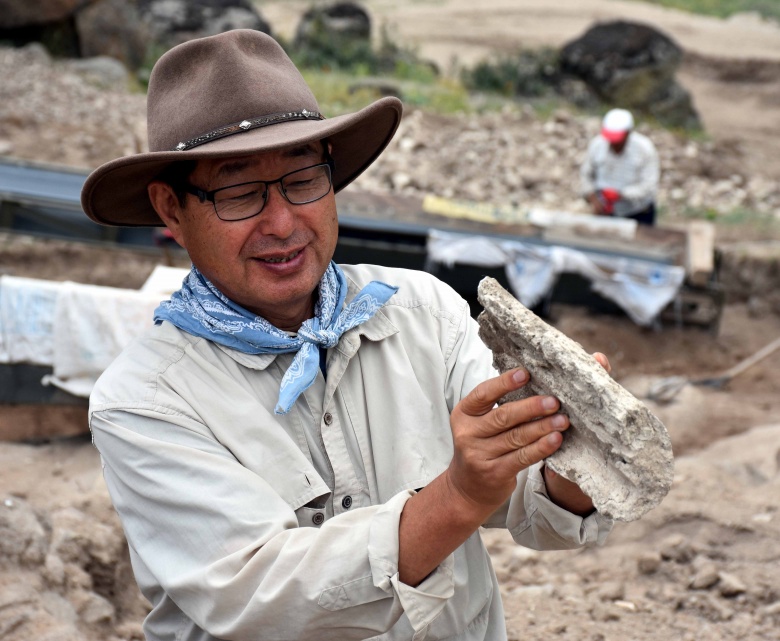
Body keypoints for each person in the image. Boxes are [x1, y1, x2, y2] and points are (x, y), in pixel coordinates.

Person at [81, 29, 614, 641]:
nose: (282, 223)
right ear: (171, 210)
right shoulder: (144, 401)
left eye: (303, 180)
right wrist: (458, 497)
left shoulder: (421, 310)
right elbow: (261, 598)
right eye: (238, 193)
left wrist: (571, 440)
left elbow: (529, 502)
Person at [580, 108, 660, 225]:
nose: (613, 143)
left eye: (617, 139)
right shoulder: (597, 145)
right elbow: (586, 175)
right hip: (605, 211)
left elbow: (649, 186)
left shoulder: (644, 149)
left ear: (628, 133)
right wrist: (593, 198)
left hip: (637, 212)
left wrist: (621, 194)